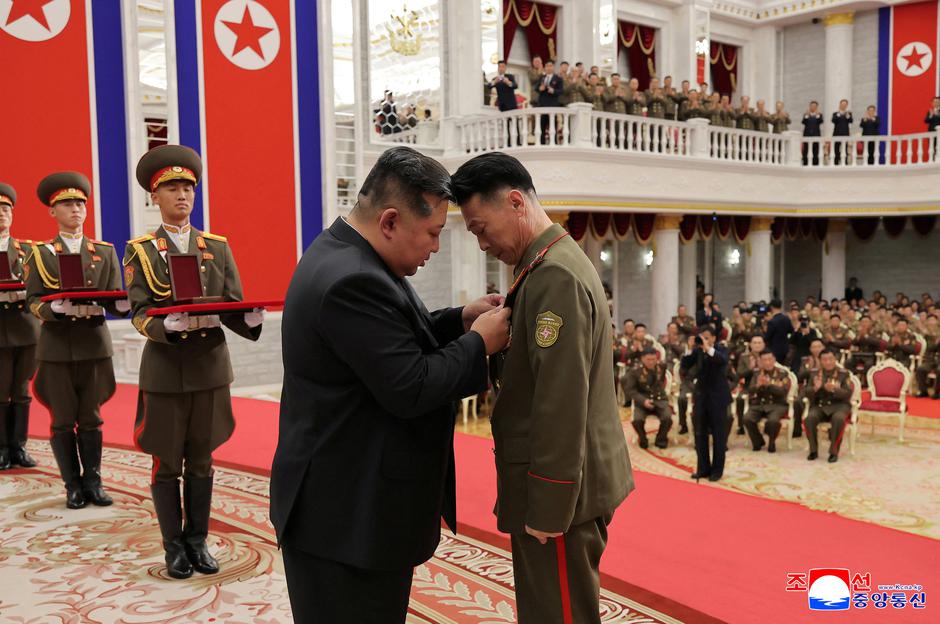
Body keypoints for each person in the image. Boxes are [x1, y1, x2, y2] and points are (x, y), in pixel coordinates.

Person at [270, 147, 509, 622]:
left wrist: (459, 320)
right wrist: (478, 344)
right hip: (345, 520)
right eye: (433, 232)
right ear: (391, 221)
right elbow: (410, 385)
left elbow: (389, 340)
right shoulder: (352, 279)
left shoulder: (349, 254)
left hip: (346, 507)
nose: (435, 247)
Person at [452, 151, 633, 624]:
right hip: (564, 485)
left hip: (561, 498)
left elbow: (559, 401)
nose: (482, 244)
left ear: (515, 202)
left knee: (558, 615)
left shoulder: (553, 275)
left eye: (480, 229)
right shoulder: (545, 264)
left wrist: (549, 507)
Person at [126, 145, 263, 580]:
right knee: (167, 462)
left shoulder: (216, 247)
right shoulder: (141, 251)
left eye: (188, 187)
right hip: (166, 370)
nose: (182, 195)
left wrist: (250, 319)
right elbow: (138, 312)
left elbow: (233, 303)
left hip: (209, 368)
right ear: (155, 196)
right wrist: (164, 326)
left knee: (202, 460)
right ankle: (174, 547)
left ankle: (198, 541)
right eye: (172, 188)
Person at [25, 172, 130, 509]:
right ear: (52, 211)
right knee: (61, 419)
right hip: (57, 345)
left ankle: (93, 482)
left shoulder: (104, 251)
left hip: (93, 343)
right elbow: (32, 300)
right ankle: (72, 485)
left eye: (80, 204)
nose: (75, 209)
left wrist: (123, 306)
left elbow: (114, 295)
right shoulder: (41, 253)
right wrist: (51, 308)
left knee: (91, 417)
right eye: (67, 204)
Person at [0, 183, 39, 471]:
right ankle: (2, 448)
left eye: (6, 209)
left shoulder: (29, 250)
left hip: (25, 328)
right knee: (1, 391)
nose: (1, 214)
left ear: (12, 215)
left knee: (22, 390)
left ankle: (19, 446)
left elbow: (43, 285)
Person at [681, 325, 731, 482]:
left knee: (718, 436)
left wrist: (708, 348)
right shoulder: (697, 351)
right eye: (702, 337)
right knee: (700, 434)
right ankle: (703, 468)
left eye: (707, 337)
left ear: (714, 338)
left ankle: (717, 470)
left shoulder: (721, 349)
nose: (703, 340)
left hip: (718, 398)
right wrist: (690, 349)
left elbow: (721, 360)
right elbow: (685, 366)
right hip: (701, 397)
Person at [803, 349, 853, 463]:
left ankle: (833, 452)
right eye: (824, 360)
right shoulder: (814, 373)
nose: (828, 362)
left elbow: (847, 393)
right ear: (820, 361)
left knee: (838, 419)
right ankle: (813, 450)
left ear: (835, 359)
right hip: (820, 405)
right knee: (809, 418)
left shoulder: (844, 374)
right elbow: (806, 392)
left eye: (830, 359)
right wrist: (815, 388)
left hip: (839, 406)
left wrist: (834, 389)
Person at [625, 348, 672, 449]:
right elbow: (630, 390)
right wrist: (643, 401)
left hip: (659, 399)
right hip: (642, 401)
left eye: (653, 359)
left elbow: (660, 382)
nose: (651, 362)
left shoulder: (661, 367)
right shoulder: (635, 371)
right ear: (642, 359)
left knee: (667, 418)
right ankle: (643, 439)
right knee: (637, 420)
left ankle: (661, 439)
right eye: (648, 359)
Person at [744, 350, 791, 453]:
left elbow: (783, 392)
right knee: (747, 418)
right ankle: (758, 441)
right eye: (764, 360)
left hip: (777, 405)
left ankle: (771, 442)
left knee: (773, 421)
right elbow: (750, 391)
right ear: (760, 362)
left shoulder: (782, 374)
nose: (767, 362)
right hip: (759, 404)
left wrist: (769, 385)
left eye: (770, 359)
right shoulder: (756, 374)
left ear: (774, 360)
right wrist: (758, 386)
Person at [535, 60, 564, 144]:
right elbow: (536, 88)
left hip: (552, 105)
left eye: (550, 66)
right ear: (545, 67)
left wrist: (553, 91)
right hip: (542, 105)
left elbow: (561, 91)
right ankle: (541, 144)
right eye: (547, 66)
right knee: (542, 126)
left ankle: (553, 144)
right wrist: (540, 88)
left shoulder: (558, 78)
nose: (549, 68)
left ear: (553, 67)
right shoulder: (542, 77)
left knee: (552, 126)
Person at [763, 299, 790, 363]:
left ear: (771, 307)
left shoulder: (772, 322)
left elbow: (767, 337)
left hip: (774, 350)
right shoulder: (786, 318)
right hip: (785, 348)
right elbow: (791, 331)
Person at [831, 99, 853, 165]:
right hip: (837, 134)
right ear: (840, 105)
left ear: (846, 105)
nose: (843, 106)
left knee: (845, 149)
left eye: (845, 104)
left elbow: (851, 121)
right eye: (842, 104)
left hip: (845, 134)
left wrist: (847, 114)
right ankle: (836, 163)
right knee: (836, 149)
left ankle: (845, 163)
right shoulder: (835, 113)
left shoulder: (848, 113)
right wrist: (838, 114)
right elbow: (833, 120)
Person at [802, 101, 824, 166]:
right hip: (807, 134)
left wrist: (817, 115)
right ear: (810, 106)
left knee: (816, 149)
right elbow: (803, 122)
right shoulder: (806, 114)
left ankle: (815, 163)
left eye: (814, 106)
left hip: (816, 134)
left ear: (817, 107)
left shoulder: (819, 115)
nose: (813, 107)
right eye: (812, 106)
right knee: (806, 149)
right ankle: (805, 162)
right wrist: (806, 115)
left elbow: (820, 121)